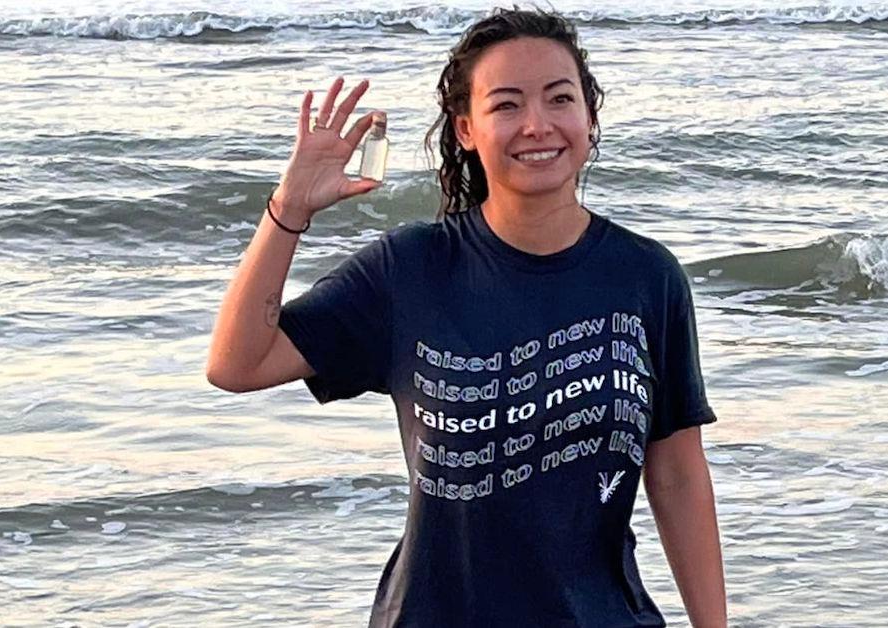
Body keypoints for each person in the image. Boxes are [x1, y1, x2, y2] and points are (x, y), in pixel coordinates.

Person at [206, 7, 726, 627]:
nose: (537, 125)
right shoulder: (410, 269)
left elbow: (677, 475)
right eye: (506, 105)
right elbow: (237, 365)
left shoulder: (646, 276)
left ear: (589, 116)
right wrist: (289, 208)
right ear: (466, 129)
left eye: (559, 99)